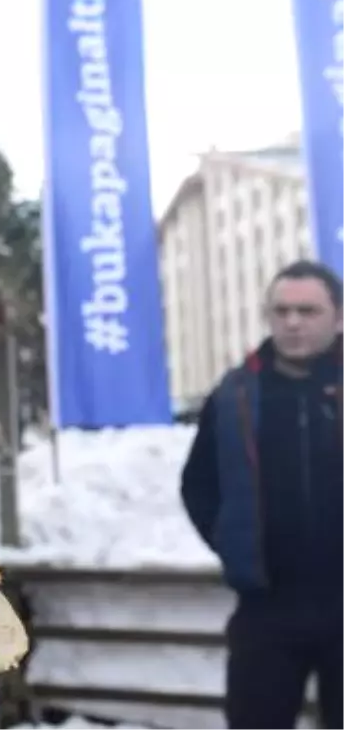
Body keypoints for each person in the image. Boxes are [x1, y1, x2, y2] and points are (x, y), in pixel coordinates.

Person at [181, 260, 344, 730]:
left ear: (338, 316)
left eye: (308, 311)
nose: (292, 322)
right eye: (282, 310)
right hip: (268, 608)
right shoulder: (236, 396)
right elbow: (199, 485)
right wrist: (234, 544)